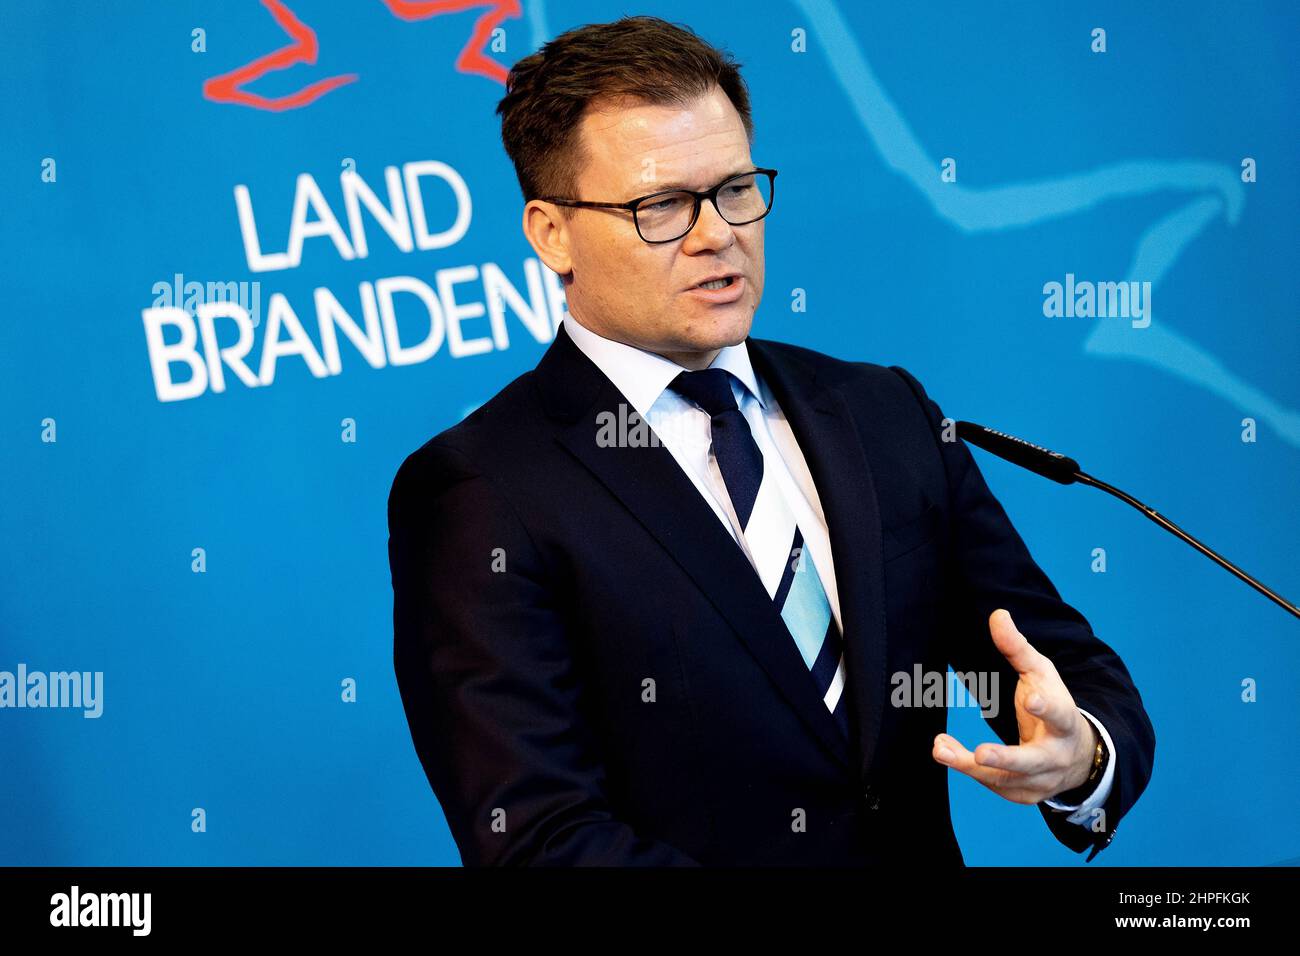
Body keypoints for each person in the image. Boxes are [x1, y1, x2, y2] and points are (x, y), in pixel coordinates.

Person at [388, 15, 1155, 866]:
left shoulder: (881, 410)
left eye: (735, 189)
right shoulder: (481, 489)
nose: (717, 233)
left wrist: (1078, 755)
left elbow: (1053, 665)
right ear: (551, 233)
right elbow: (541, 840)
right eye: (662, 206)